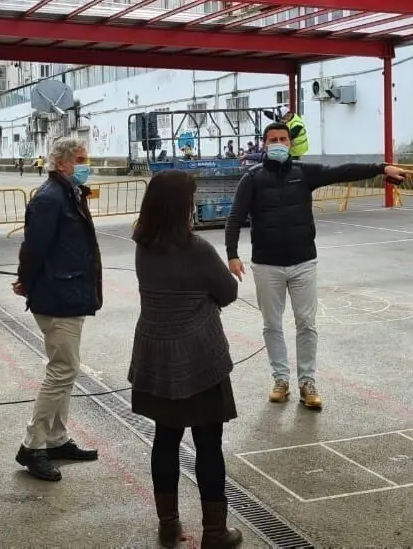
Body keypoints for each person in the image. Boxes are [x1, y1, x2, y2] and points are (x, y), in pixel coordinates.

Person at [225, 122, 410, 410]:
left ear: (290, 144)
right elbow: (235, 218)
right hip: (267, 265)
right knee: (272, 324)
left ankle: (307, 382)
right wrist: (232, 254)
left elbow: (343, 171)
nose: (277, 143)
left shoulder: (304, 173)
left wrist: (381, 168)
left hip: (303, 263)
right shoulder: (253, 178)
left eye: (282, 139)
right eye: (272, 139)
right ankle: (280, 380)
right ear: (263, 145)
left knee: (306, 324)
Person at [130, 170, 242, 548]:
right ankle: (215, 531)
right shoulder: (197, 250)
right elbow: (227, 292)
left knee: (165, 439)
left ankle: (168, 525)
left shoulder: (143, 244)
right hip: (198, 358)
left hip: (155, 354)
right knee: (208, 444)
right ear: (182, 207)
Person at [13, 137, 103, 481]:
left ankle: (56, 439)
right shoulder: (50, 199)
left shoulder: (69, 193)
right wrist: (26, 281)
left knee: (66, 368)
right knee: (62, 370)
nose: (86, 164)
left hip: (70, 289)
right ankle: (32, 445)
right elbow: (33, 247)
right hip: (57, 294)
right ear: (62, 163)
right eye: (80, 159)